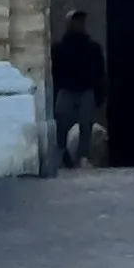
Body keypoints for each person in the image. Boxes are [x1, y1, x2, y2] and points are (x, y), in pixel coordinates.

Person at [51, 9, 106, 168]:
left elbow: (99, 71)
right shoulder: (60, 47)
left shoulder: (92, 47)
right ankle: (63, 153)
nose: (79, 24)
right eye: (76, 21)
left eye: (81, 21)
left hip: (86, 90)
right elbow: (55, 70)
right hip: (67, 89)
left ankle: (82, 156)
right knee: (61, 124)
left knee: (86, 125)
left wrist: (99, 94)